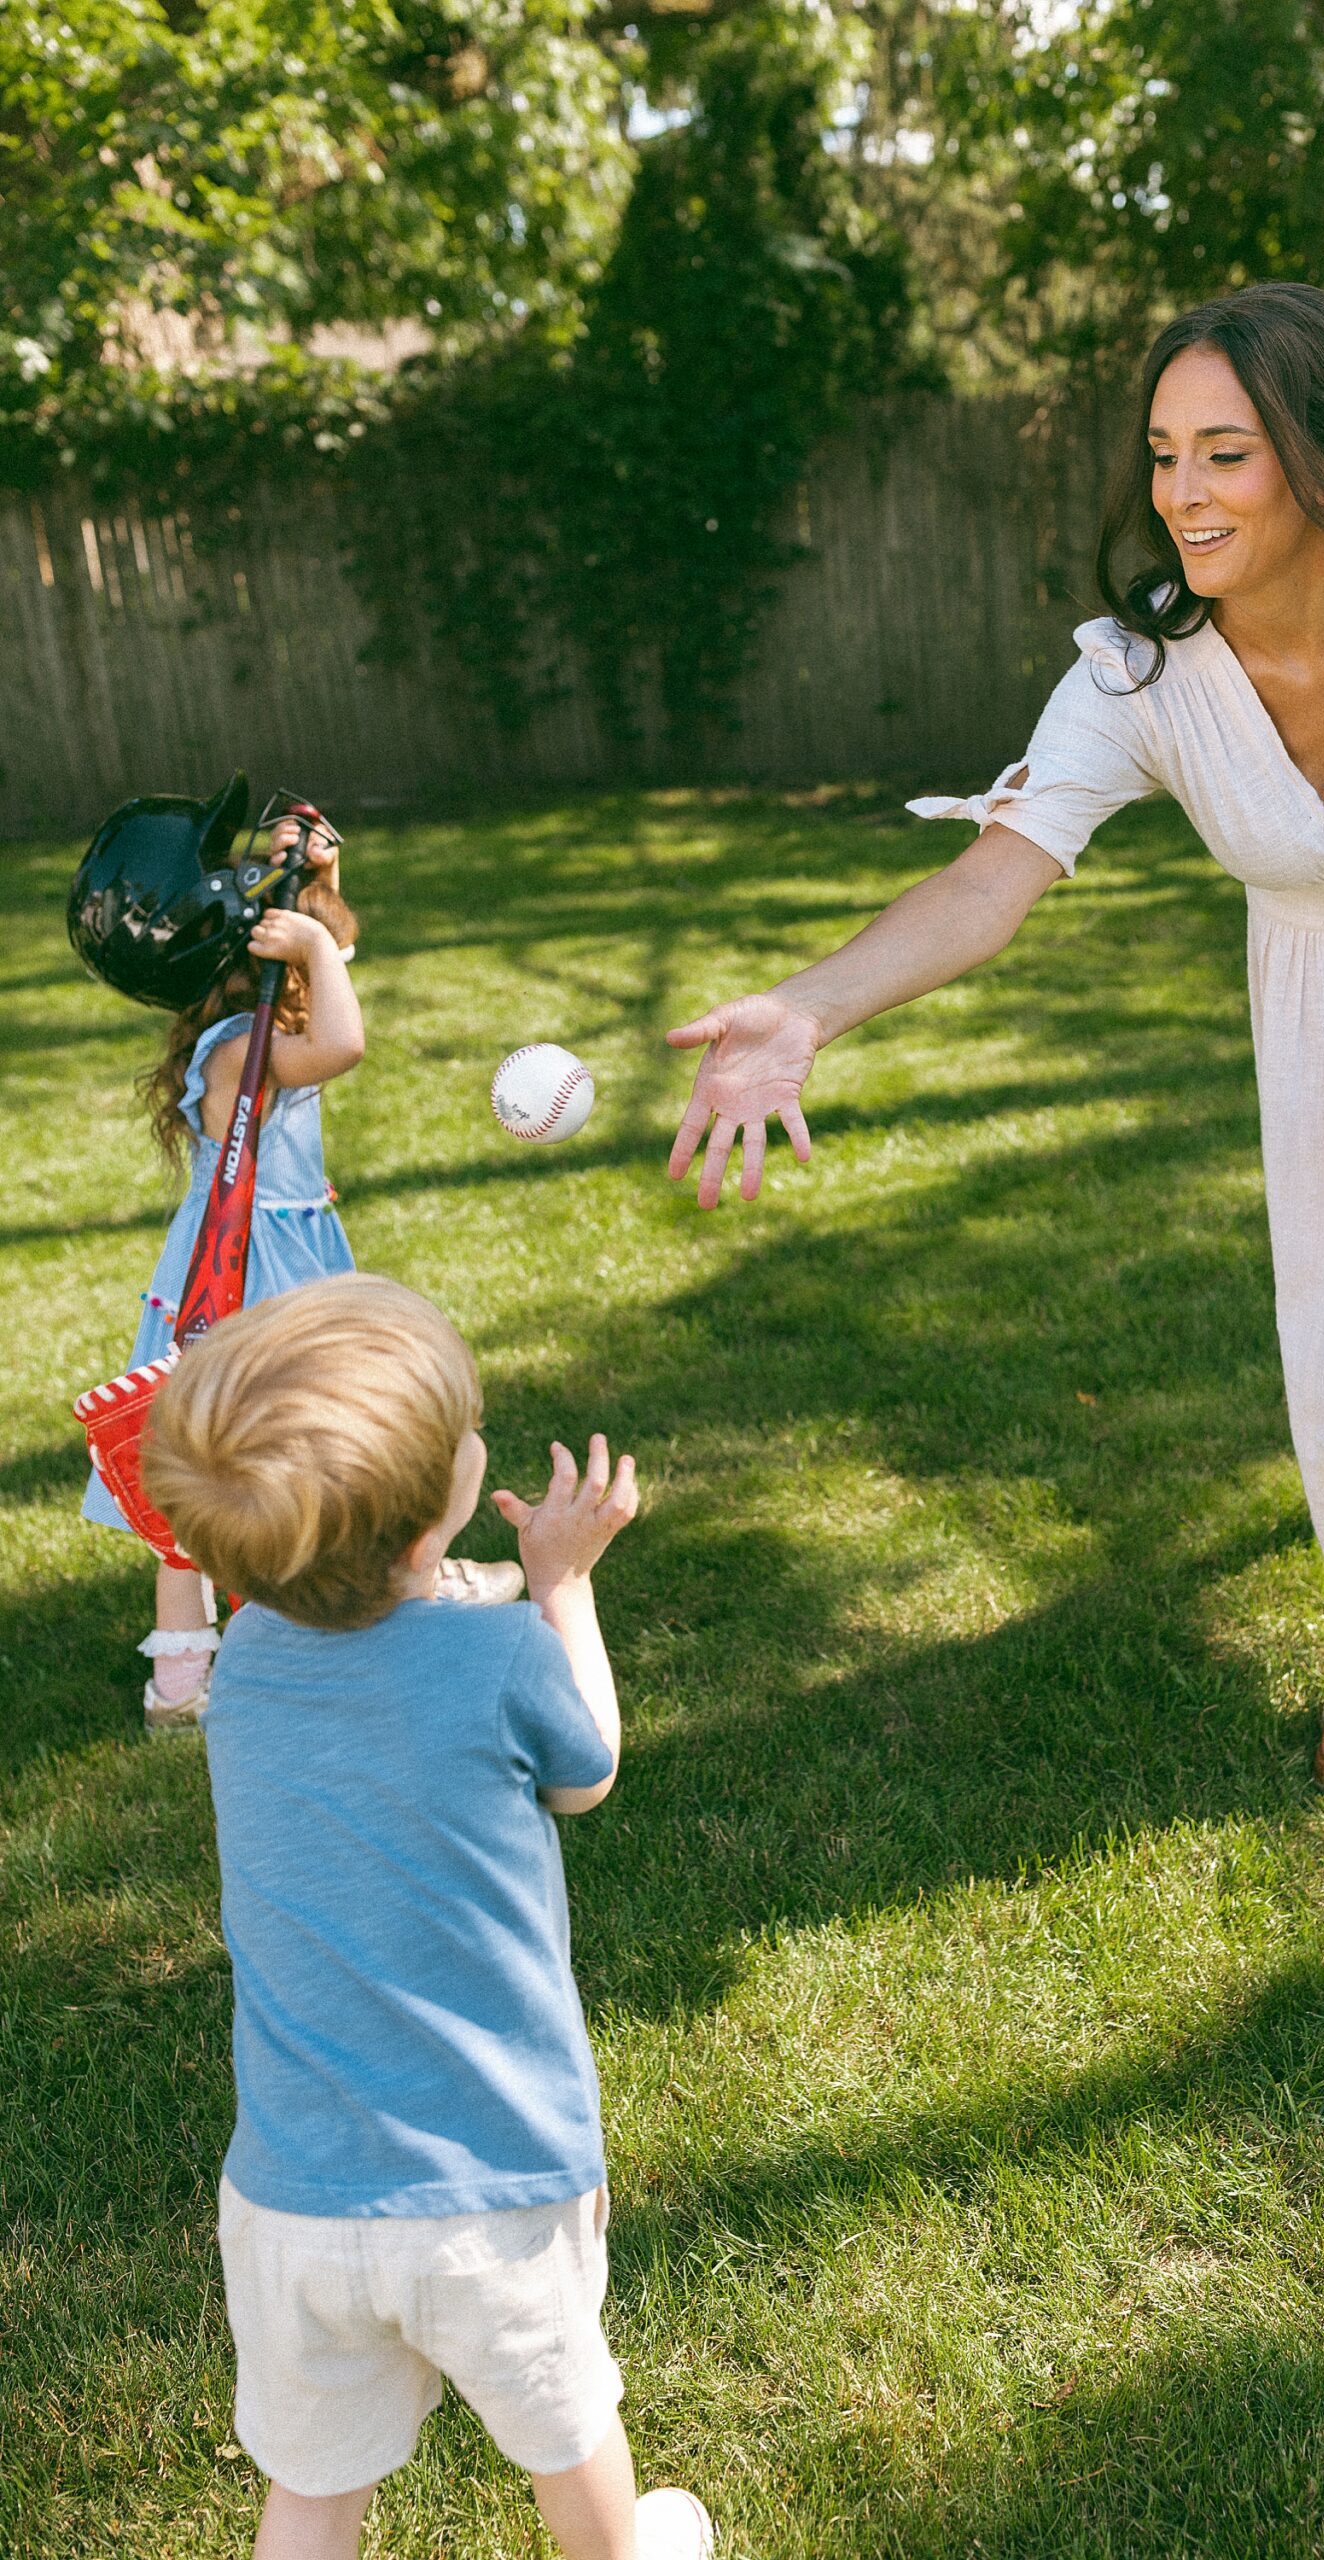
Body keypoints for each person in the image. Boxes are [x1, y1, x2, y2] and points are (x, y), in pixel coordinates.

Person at [665, 280, 1324, 1787]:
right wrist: (805, 1008)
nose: (1180, 495)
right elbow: (992, 878)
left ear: (1317, 456)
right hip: (1309, 1015)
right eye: (1160, 454)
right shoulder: (1136, 676)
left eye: (1224, 453)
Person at [140, 1273, 714, 2560]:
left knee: (315, 2488)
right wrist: (558, 1584)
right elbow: (589, 1770)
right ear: (433, 1516)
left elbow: (353, 1632)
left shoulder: (244, 1678)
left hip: (294, 2194)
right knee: (570, 2433)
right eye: (466, 1434)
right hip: (495, 2187)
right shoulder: (502, 1655)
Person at [82, 819, 514, 1734]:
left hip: (280, 1244)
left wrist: (322, 879)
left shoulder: (255, 1016)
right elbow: (343, 1043)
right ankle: (185, 1682)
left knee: (286, 1444)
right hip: (245, 1268)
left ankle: (380, 1595)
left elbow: (338, 953)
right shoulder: (239, 1046)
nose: (325, 959)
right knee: (231, 1455)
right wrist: (314, 943)